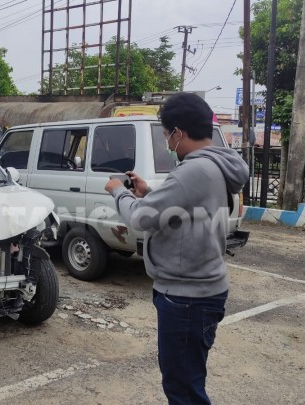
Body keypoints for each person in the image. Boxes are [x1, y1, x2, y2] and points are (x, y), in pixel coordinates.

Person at [104, 92, 249, 404]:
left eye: (167, 135)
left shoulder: (193, 170)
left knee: (183, 390)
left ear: (179, 133)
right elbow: (181, 210)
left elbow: (140, 219)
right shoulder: (215, 165)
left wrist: (119, 192)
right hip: (199, 291)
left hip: (187, 298)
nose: (168, 143)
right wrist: (149, 193)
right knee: (186, 381)